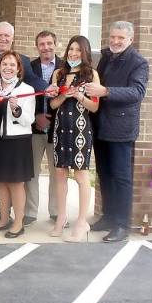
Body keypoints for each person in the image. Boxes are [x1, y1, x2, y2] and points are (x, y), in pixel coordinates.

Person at [0, 21, 51, 224]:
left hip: (16, 138)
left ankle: (9, 217)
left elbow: (35, 84)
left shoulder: (23, 65)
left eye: (7, 36)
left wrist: (48, 88)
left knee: (14, 182)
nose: (3, 39)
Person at [85, 21, 149, 243]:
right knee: (105, 174)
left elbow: (137, 92)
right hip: (101, 125)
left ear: (130, 39)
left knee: (121, 178)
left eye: (120, 38)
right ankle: (109, 217)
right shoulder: (106, 57)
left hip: (121, 128)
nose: (115, 41)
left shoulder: (138, 62)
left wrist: (106, 91)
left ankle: (122, 225)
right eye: (113, 37)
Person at [49, 36, 100, 242]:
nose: (73, 53)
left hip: (80, 129)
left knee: (80, 176)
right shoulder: (58, 73)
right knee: (60, 173)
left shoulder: (91, 75)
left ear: (85, 52)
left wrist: (79, 96)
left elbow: (95, 107)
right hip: (61, 129)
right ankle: (61, 218)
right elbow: (53, 105)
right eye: (71, 49)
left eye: (78, 50)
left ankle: (81, 222)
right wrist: (64, 95)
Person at [0, 51, 36, 238]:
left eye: (12, 64)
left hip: (16, 143)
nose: (8, 67)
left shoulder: (26, 89)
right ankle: (4, 219)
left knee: (15, 183)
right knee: (1, 181)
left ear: (19, 68)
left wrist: (16, 109)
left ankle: (18, 223)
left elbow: (29, 120)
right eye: (4, 64)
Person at [27, 31, 63, 224]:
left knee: (57, 172)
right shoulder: (29, 67)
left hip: (58, 129)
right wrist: (35, 118)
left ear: (56, 44)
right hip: (33, 128)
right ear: (37, 46)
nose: (46, 47)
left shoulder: (65, 67)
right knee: (31, 172)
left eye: (49, 43)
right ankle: (30, 213)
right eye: (42, 44)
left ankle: (56, 211)